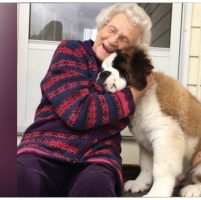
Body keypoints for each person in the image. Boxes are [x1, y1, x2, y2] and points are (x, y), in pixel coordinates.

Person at [17, 3, 153, 197]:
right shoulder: (71, 51)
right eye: (112, 30)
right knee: (19, 179)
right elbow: (77, 112)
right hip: (44, 149)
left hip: (98, 158)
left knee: (97, 187)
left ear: (133, 49)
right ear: (102, 26)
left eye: (124, 39)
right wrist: (130, 97)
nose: (113, 40)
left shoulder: (130, 76)